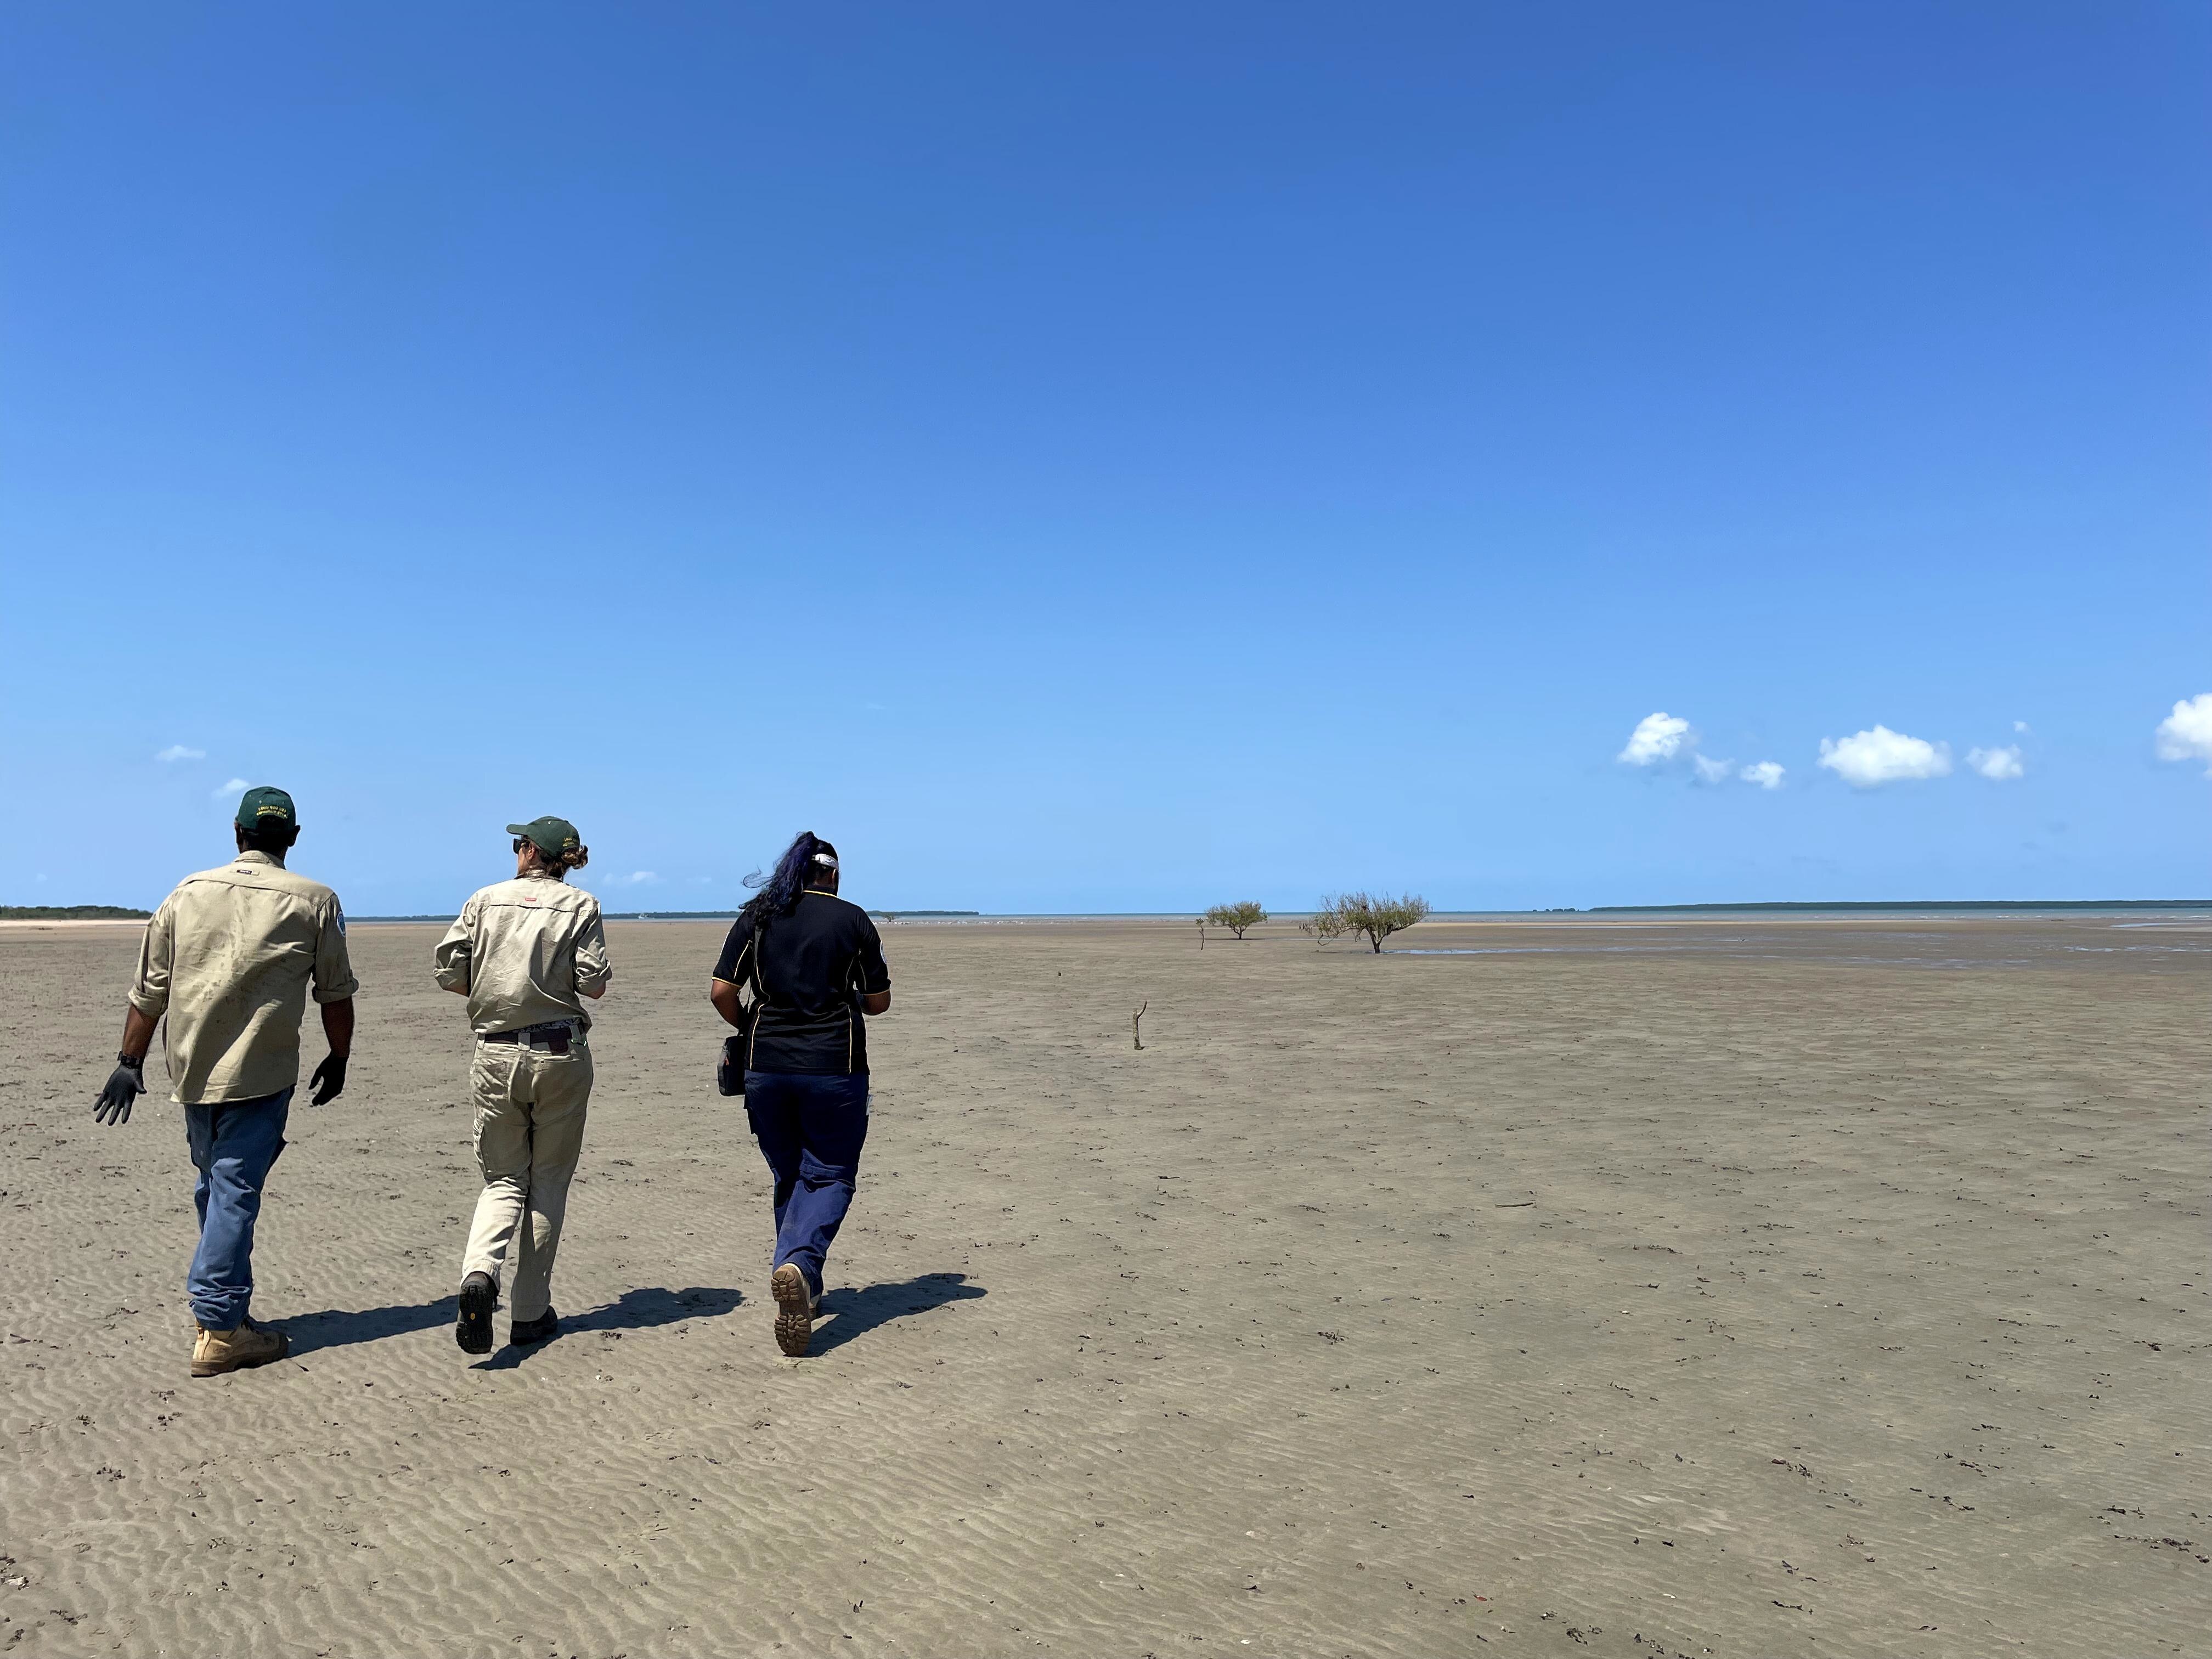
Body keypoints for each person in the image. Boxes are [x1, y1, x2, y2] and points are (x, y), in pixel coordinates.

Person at [92, 787, 357, 1378]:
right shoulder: (316, 900)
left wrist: (128, 1062)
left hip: (191, 1068)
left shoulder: (186, 894)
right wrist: (339, 1057)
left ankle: (222, 1304)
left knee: (215, 1184)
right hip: (262, 1072)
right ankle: (219, 1326)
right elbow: (334, 994)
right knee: (233, 1191)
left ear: (237, 834)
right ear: (290, 839)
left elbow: (150, 990)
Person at [433, 816, 611, 1356]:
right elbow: (594, 985)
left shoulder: (483, 899)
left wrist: (492, 985)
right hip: (560, 1051)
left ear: (529, 851)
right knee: (549, 1182)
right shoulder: (581, 906)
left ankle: (479, 1275)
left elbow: (449, 971)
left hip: (496, 1051)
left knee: (503, 1180)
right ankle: (530, 1311)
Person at [710, 831, 890, 1356]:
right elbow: (878, 1002)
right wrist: (849, 994)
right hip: (835, 1065)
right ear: (832, 874)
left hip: (766, 1067)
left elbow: (722, 991)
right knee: (831, 1172)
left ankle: (803, 1286)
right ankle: (802, 1267)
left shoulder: (760, 916)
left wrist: (750, 1026)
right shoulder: (852, 919)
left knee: (791, 1172)